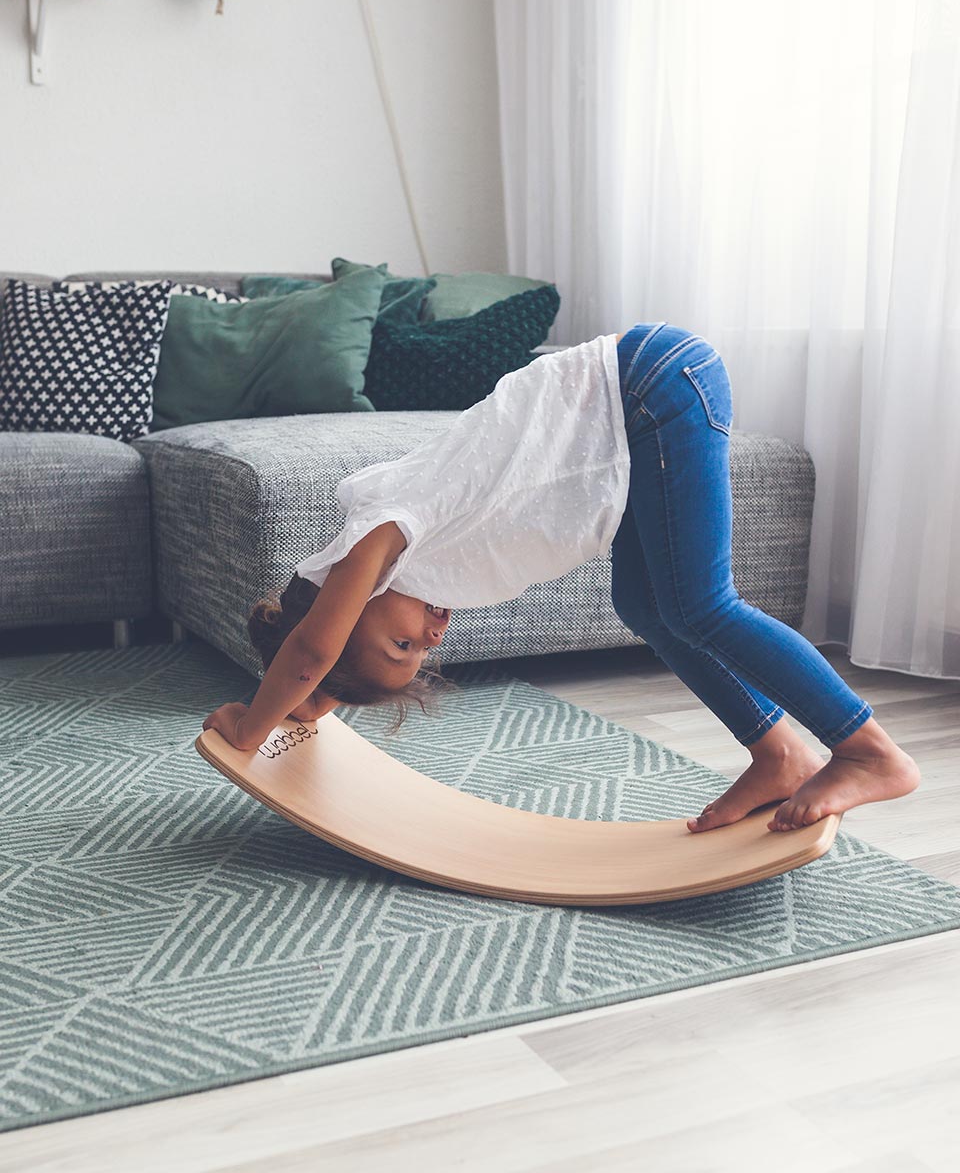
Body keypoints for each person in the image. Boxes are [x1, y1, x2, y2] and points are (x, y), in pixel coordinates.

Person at [202, 322, 920, 833]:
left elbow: (311, 653)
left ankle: (867, 751)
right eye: (422, 652)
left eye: (403, 646)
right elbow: (324, 662)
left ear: (341, 607)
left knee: (702, 604)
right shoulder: (391, 567)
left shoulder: (381, 534)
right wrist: (313, 705)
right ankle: (780, 751)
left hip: (655, 386)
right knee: (646, 604)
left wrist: (249, 724)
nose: (432, 634)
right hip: (641, 412)